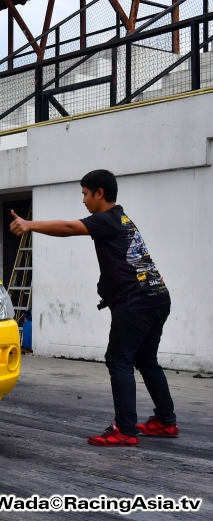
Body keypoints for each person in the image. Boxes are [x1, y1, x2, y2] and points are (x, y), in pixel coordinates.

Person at [10, 169, 177, 447]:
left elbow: (67, 228)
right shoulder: (122, 218)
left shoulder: (107, 220)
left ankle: (125, 429)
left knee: (119, 360)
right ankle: (165, 421)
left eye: (85, 194)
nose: (84, 200)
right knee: (146, 360)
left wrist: (29, 225)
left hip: (135, 302)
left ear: (100, 193)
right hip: (157, 297)